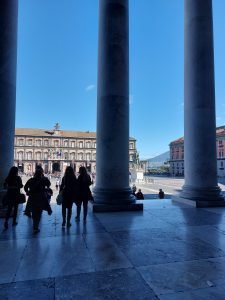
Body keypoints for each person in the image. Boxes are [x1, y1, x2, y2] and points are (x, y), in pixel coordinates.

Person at [24, 167, 51, 233]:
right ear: (41, 173)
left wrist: (27, 192)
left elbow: (25, 187)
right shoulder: (44, 179)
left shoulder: (31, 180)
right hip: (41, 197)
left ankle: (34, 225)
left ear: (35, 173)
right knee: (39, 212)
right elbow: (49, 185)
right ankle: (35, 227)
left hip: (32, 198)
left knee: (34, 212)